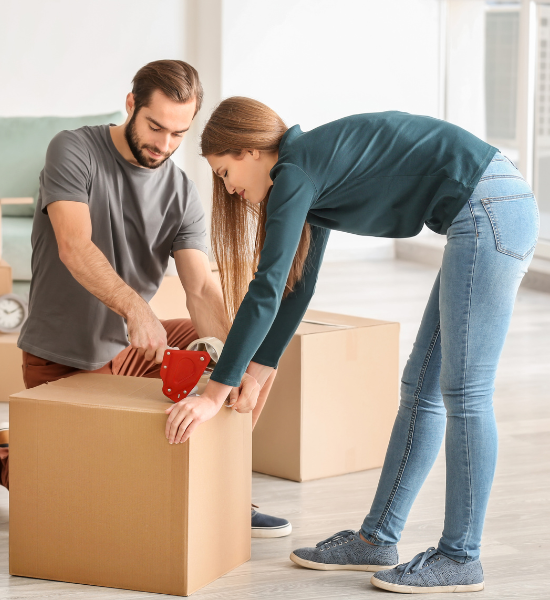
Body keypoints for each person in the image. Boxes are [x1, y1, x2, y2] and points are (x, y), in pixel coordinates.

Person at [165, 97, 538, 593]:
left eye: (225, 171)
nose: (230, 190)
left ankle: (460, 556)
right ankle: (377, 540)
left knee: (465, 392)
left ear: (251, 151)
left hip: (490, 207)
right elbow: (297, 288)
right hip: (484, 208)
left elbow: (267, 286)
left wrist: (215, 390)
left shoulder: (296, 170)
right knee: (419, 389)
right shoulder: (308, 172)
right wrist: (257, 370)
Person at [0, 62, 291, 538]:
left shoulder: (180, 192)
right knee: (88, 505)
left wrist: (232, 366)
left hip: (136, 351)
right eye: (155, 126)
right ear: (131, 104)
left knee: (249, 349)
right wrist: (136, 309)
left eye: (179, 133)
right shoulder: (73, 150)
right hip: (65, 358)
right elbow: (74, 247)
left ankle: (225, 488)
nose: (164, 144)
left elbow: (199, 288)